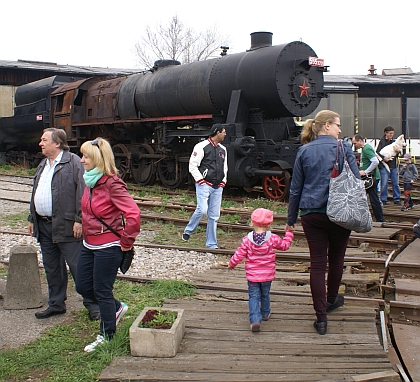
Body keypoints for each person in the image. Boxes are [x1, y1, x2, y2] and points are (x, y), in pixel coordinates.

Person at [286, 110, 360, 335]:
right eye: (338, 125)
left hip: (312, 213)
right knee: (337, 259)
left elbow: (295, 188)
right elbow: (355, 180)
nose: (340, 130)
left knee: (318, 264)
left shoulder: (304, 150)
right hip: (340, 213)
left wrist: (291, 219)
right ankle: (331, 301)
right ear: (327, 125)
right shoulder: (344, 148)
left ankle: (321, 319)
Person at [75, 137, 140, 352]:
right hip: (89, 243)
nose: (81, 159)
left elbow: (133, 214)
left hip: (108, 245)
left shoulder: (112, 183)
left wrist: (126, 242)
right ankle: (117, 308)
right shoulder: (90, 180)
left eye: (85, 156)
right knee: (83, 286)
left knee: (102, 290)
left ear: (97, 159)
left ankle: (106, 335)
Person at [28, 128, 100, 320]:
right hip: (44, 225)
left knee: (79, 268)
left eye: (44, 140)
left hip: (68, 225)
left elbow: (84, 194)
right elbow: (36, 191)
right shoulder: (43, 164)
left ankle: (94, 306)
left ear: (57, 143)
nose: (40, 143)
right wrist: (31, 218)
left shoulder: (74, 162)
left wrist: (79, 220)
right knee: (52, 268)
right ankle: (56, 304)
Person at [228, 208, 294, 332]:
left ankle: (255, 320)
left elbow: (239, 254)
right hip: (267, 275)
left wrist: (232, 264)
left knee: (253, 296)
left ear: (252, 223)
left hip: (253, 276)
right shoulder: (272, 238)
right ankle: (265, 313)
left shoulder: (247, 240)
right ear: (269, 224)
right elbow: (285, 246)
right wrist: (289, 233)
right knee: (265, 294)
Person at [181, 124, 227, 249]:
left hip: (218, 186)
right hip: (204, 184)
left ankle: (211, 244)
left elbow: (224, 167)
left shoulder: (223, 149)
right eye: (224, 132)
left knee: (214, 215)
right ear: (217, 133)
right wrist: (200, 180)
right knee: (202, 210)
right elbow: (193, 165)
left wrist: (223, 181)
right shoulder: (201, 147)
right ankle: (188, 230)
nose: (225, 134)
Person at [351, 135, 385, 222]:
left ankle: (379, 219)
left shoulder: (366, 149)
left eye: (355, 143)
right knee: (368, 198)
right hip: (369, 178)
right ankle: (374, 218)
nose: (354, 145)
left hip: (370, 178)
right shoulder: (365, 149)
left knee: (373, 199)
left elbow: (375, 161)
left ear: (360, 141)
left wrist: (365, 171)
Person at [376, 126, 401, 205]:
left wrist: (398, 151)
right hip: (384, 165)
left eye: (392, 133)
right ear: (385, 133)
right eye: (390, 133)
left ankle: (397, 199)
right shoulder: (381, 142)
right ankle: (383, 199)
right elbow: (377, 152)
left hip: (393, 165)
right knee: (384, 183)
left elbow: (400, 153)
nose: (391, 135)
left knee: (395, 183)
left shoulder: (395, 142)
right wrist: (384, 158)